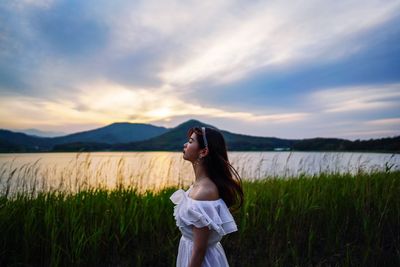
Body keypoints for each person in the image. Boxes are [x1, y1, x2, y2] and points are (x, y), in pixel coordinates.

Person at [170, 126, 244, 267]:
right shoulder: (199, 186)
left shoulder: (205, 192)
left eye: (191, 142)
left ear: (203, 151)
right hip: (190, 254)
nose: (185, 145)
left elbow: (199, 250)